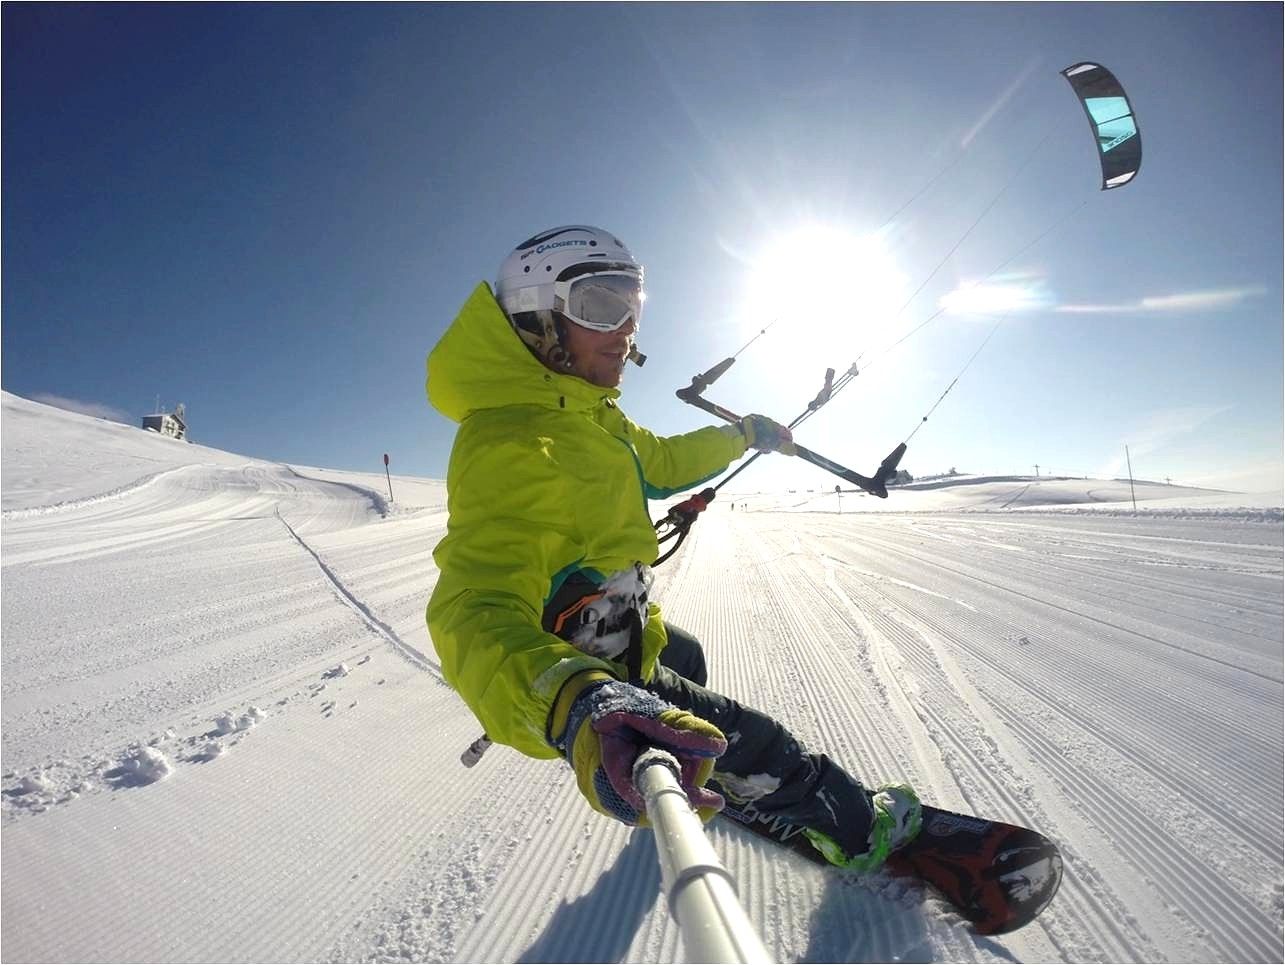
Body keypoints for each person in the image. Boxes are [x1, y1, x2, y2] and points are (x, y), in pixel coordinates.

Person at [425, 225, 920, 871]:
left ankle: (698, 760)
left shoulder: (588, 411)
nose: (626, 327)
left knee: (685, 651)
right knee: (764, 742)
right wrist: (575, 699)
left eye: (634, 303)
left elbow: (658, 460)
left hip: (628, 626)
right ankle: (859, 831)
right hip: (593, 658)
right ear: (536, 317)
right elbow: (473, 605)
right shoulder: (512, 439)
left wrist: (742, 434)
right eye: (600, 305)